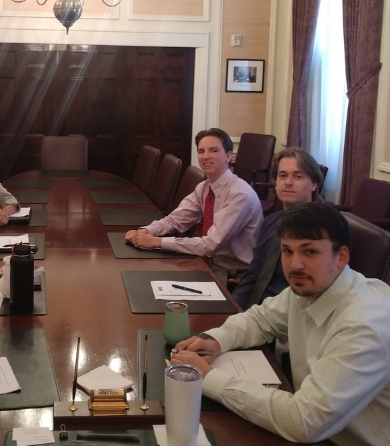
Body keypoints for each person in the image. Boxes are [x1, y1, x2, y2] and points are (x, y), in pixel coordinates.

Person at [172, 203, 390, 445]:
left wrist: (209, 378)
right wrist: (215, 340)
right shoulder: (312, 287)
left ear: (341, 257)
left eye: (310, 252)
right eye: (287, 251)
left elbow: (304, 422)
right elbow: (261, 319)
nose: (295, 265)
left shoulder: (364, 325)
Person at [125, 128, 263, 283]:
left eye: (213, 150)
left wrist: (157, 242)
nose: (206, 156)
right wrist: (144, 231)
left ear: (229, 156)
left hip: (233, 273)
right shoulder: (204, 187)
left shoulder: (240, 195)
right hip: (206, 260)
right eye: (201, 151)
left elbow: (210, 245)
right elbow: (175, 220)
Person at [232, 147, 324, 310]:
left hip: (289, 319)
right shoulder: (270, 223)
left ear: (313, 184)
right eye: (282, 175)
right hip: (254, 311)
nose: (288, 182)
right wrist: (231, 306)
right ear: (275, 183)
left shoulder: (323, 229)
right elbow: (253, 274)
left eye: (298, 176)